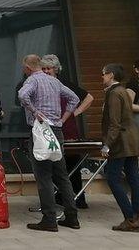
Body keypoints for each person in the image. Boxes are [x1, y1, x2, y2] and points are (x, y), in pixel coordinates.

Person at [17, 54, 81, 231]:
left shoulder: (32, 80)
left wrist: (34, 111)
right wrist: (63, 118)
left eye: (24, 67)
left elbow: (22, 96)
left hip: (40, 131)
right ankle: (72, 217)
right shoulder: (54, 81)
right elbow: (74, 98)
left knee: (43, 175)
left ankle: (49, 219)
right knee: (61, 175)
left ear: (28, 68)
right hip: (57, 131)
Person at [42, 54, 93, 208]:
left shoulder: (64, 84)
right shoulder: (43, 84)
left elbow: (89, 97)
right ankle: (61, 197)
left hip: (67, 130)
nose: (46, 71)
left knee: (71, 164)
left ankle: (78, 198)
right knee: (55, 164)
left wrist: (74, 113)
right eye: (43, 68)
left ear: (56, 69)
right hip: (52, 130)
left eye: (49, 68)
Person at [99, 63, 139, 231]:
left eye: (103, 74)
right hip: (131, 140)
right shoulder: (122, 90)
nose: (102, 77)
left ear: (111, 75)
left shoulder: (114, 94)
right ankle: (136, 216)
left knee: (113, 178)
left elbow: (114, 123)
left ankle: (129, 217)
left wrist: (107, 145)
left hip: (120, 143)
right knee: (133, 178)